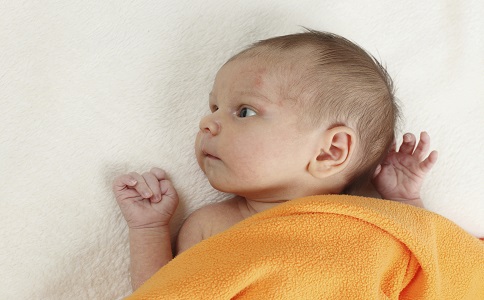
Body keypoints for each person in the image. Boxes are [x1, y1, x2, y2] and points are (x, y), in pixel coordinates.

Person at [112, 30, 438, 291]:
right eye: (214, 108)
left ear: (330, 152)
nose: (206, 123)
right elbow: (163, 290)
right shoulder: (210, 225)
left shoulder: (368, 218)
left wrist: (405, 200)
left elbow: (428, 266)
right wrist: (149, 229)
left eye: (245, 111)